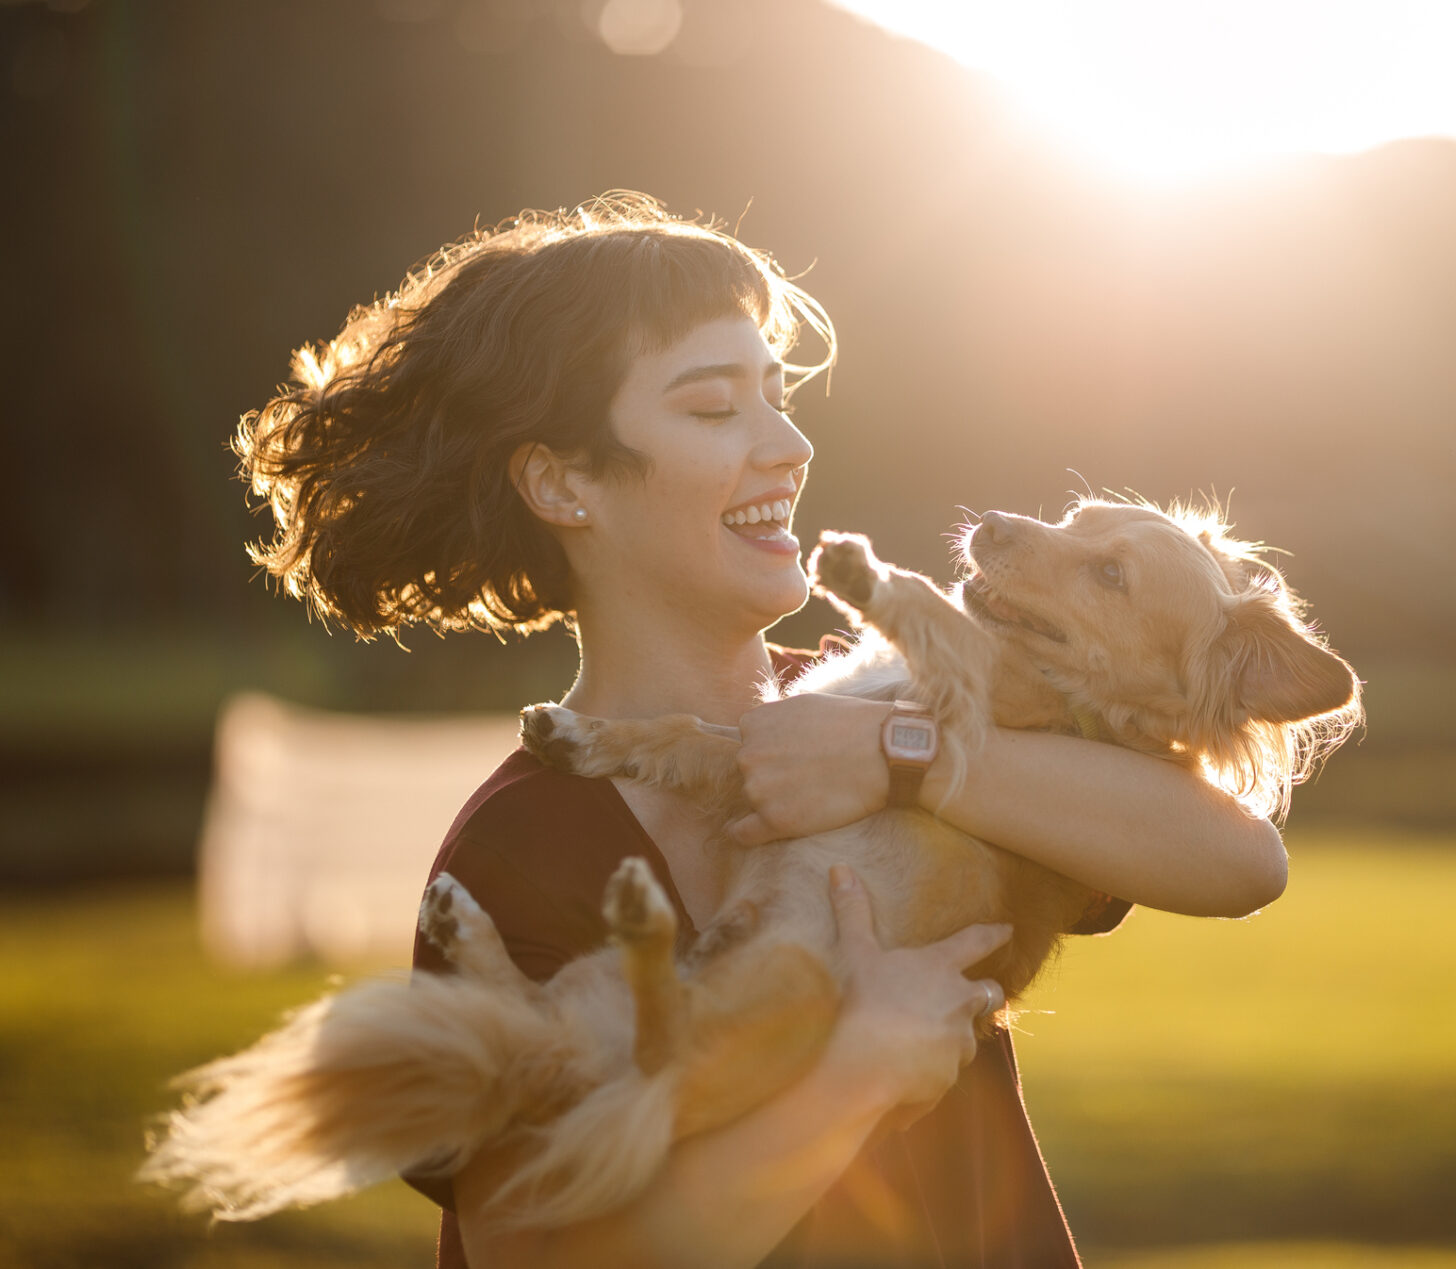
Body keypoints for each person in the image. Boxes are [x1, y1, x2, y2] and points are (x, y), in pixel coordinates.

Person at [235, 195, 1288, 1268]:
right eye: (712, 409)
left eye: (778, 398)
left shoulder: (911, 717)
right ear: (561, 482)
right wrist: (858, 1074)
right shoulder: (527, 845)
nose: (787, 444)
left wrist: (896, 761)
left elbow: (1241, 859)